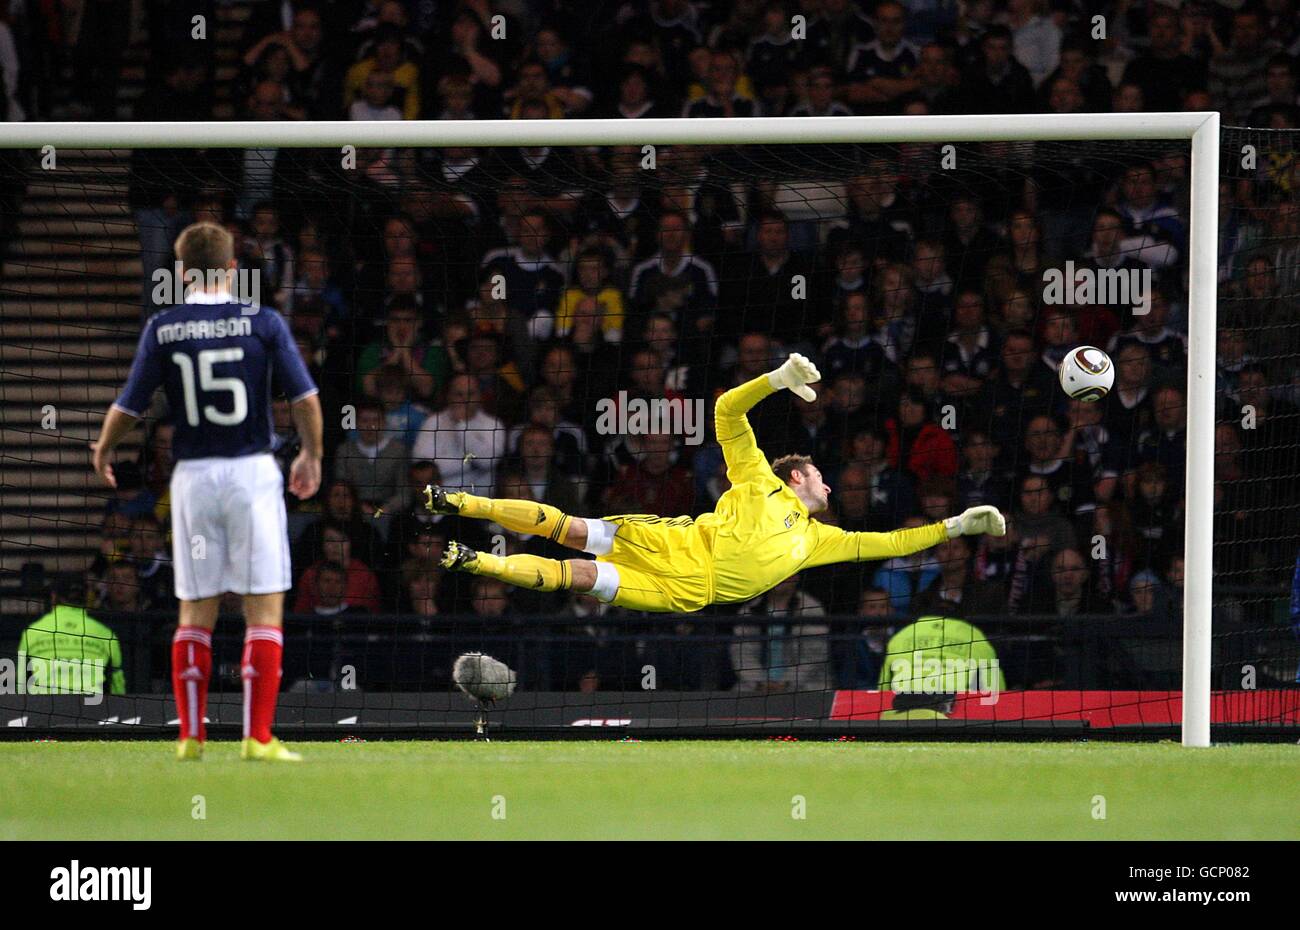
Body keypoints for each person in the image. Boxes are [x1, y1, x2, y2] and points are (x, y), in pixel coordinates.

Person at [429, 354, 1006, 613]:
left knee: (578, 579)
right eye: (823, 479)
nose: (831, 491)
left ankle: (474, 561)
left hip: (684, 596)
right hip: (676, 543)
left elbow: (893, 543)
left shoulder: (818, 541)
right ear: (798, 475)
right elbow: (728, 411)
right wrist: (776, 379)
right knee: (570, 529)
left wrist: (956, 525)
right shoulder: (758, 477)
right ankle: (458, 500)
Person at [90, 221, 323, 763]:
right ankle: (257, 739)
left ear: (182, 273)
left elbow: (129, 406)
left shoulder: (163, 326)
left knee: (195, 610)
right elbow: (305, 398)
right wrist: (311, 454)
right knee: (263, 607)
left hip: (192, 480)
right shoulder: (263, 321)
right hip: (249, 474)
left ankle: (190, 736)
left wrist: (102, 451)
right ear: (233, 269)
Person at [19, 577, 125, 697]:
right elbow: (118, 684)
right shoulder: (106, 634)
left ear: (54, 597)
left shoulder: (32, 631)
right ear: (87, 598)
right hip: (92, 709)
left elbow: (20, 683)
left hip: (45, 707)